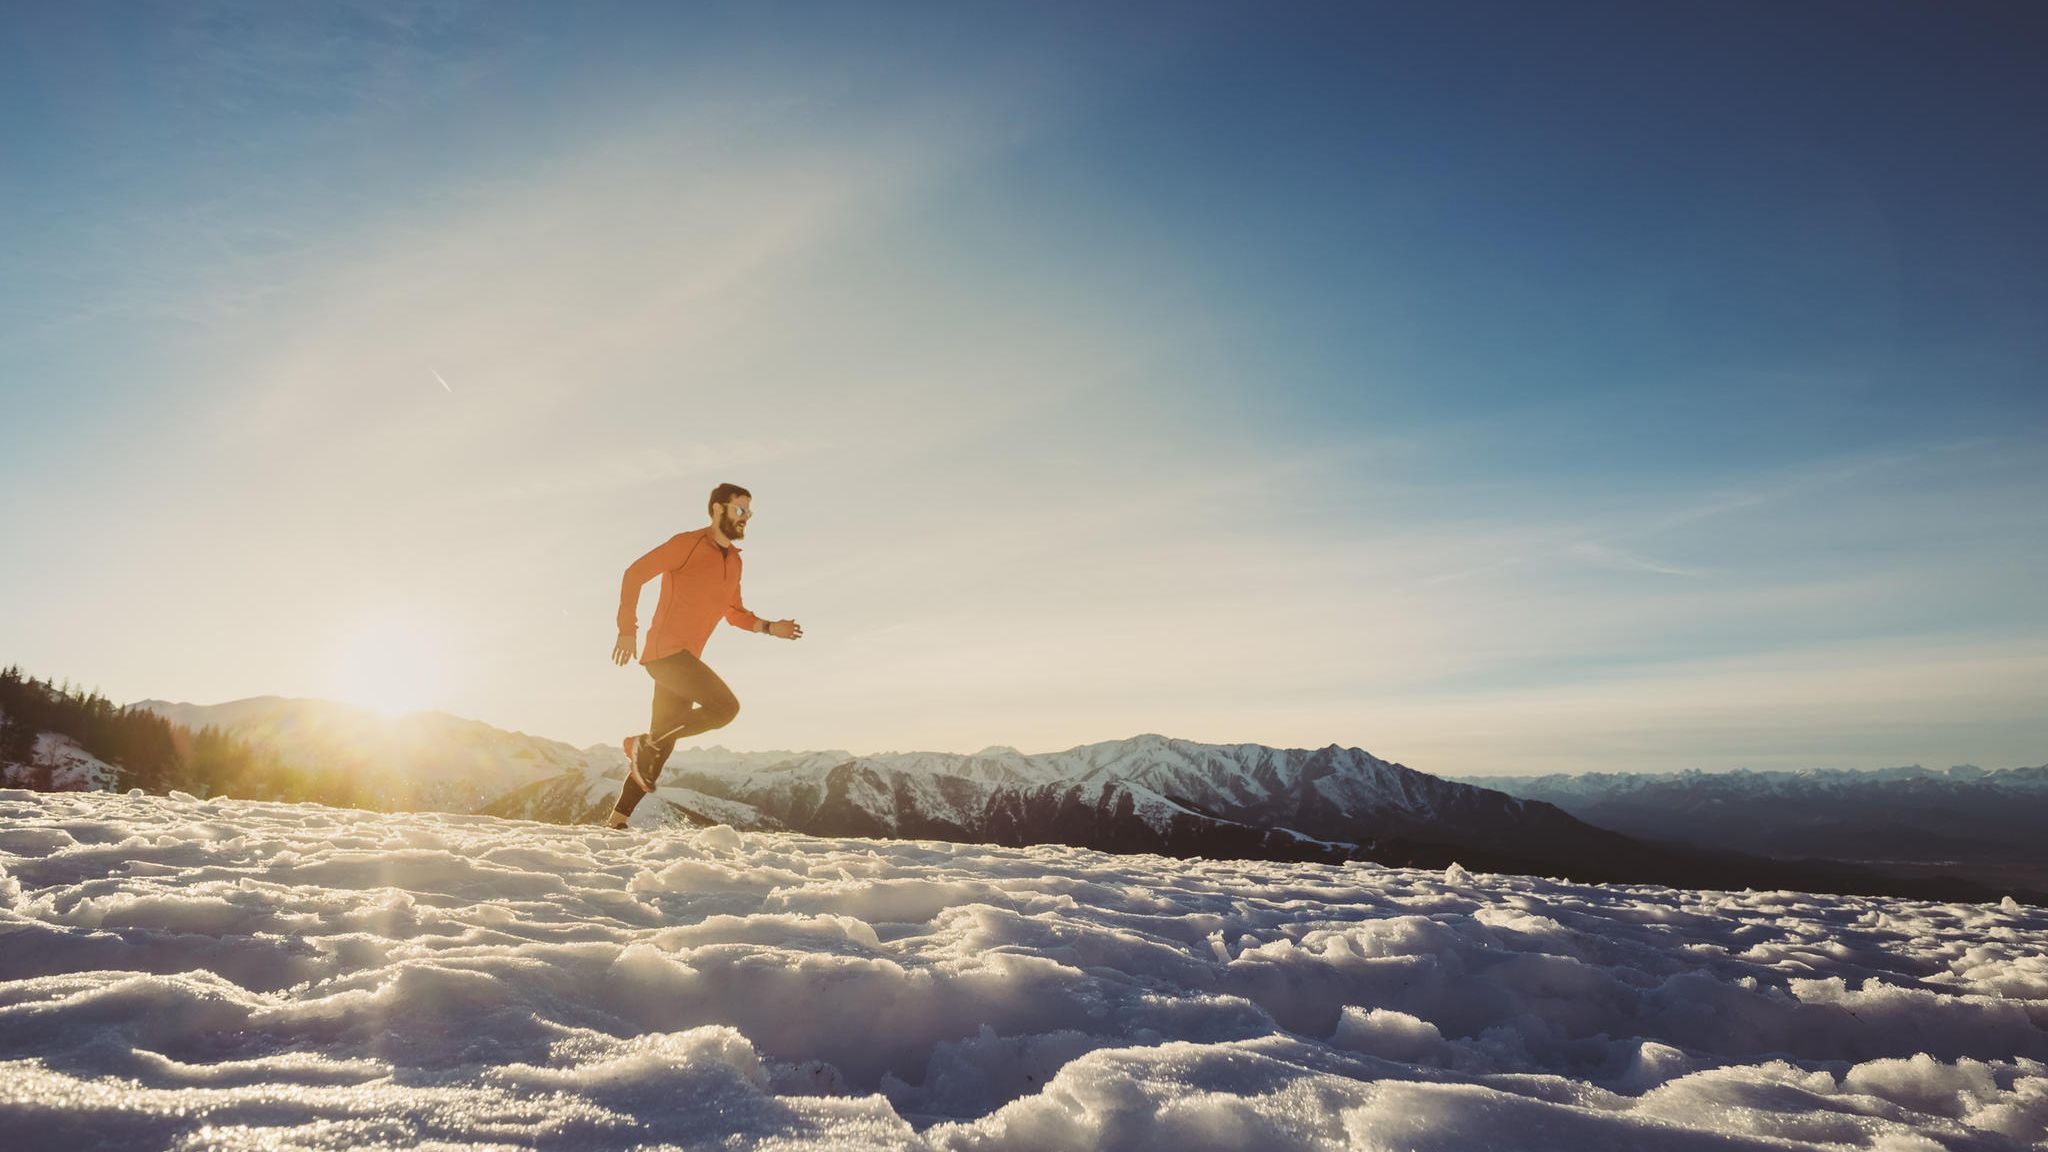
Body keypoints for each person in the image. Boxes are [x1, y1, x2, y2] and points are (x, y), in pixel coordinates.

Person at [606, 482, 802, 828]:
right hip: (664, 654)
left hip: (684, 659)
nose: (746, 518)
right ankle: (642, 743)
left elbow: (734, 613)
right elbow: (634, 574)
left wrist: (772, 628)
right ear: (717, 509)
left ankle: (617, 820)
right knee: (725, 708)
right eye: (740, 510)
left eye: (749, 512)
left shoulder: (734, 562)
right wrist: (627, 629)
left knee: (658, 750)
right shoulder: (687, 544)